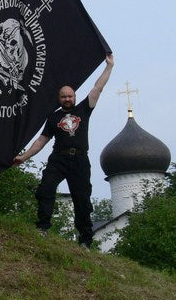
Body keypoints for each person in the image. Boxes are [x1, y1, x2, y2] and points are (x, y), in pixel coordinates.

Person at [13, 54, 115, 248]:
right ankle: (43, 227)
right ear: (59, 99)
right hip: (59, 159)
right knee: (45, 188)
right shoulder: (53, 118)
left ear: (74, 97)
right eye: (64, 96)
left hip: (80, 161)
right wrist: (24, 157)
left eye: (70, 96)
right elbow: (41, 141)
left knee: (82, 200)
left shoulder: (84, 109)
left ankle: (85, 240)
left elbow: (98, 88)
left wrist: (108, 66)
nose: (67, 99)